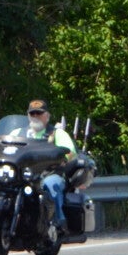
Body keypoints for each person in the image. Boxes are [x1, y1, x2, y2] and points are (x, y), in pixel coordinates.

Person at [23, 99, 76, 234]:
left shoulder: (57, 133)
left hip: (49, 173)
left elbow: (71, 152)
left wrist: (63, 158)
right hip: (24, 176)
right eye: (32, 113)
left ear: (47, 116)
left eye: (39, 113)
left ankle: (58, 222)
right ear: (28, 115)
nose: (35, 116)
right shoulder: (19, 133)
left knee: (51, 184)